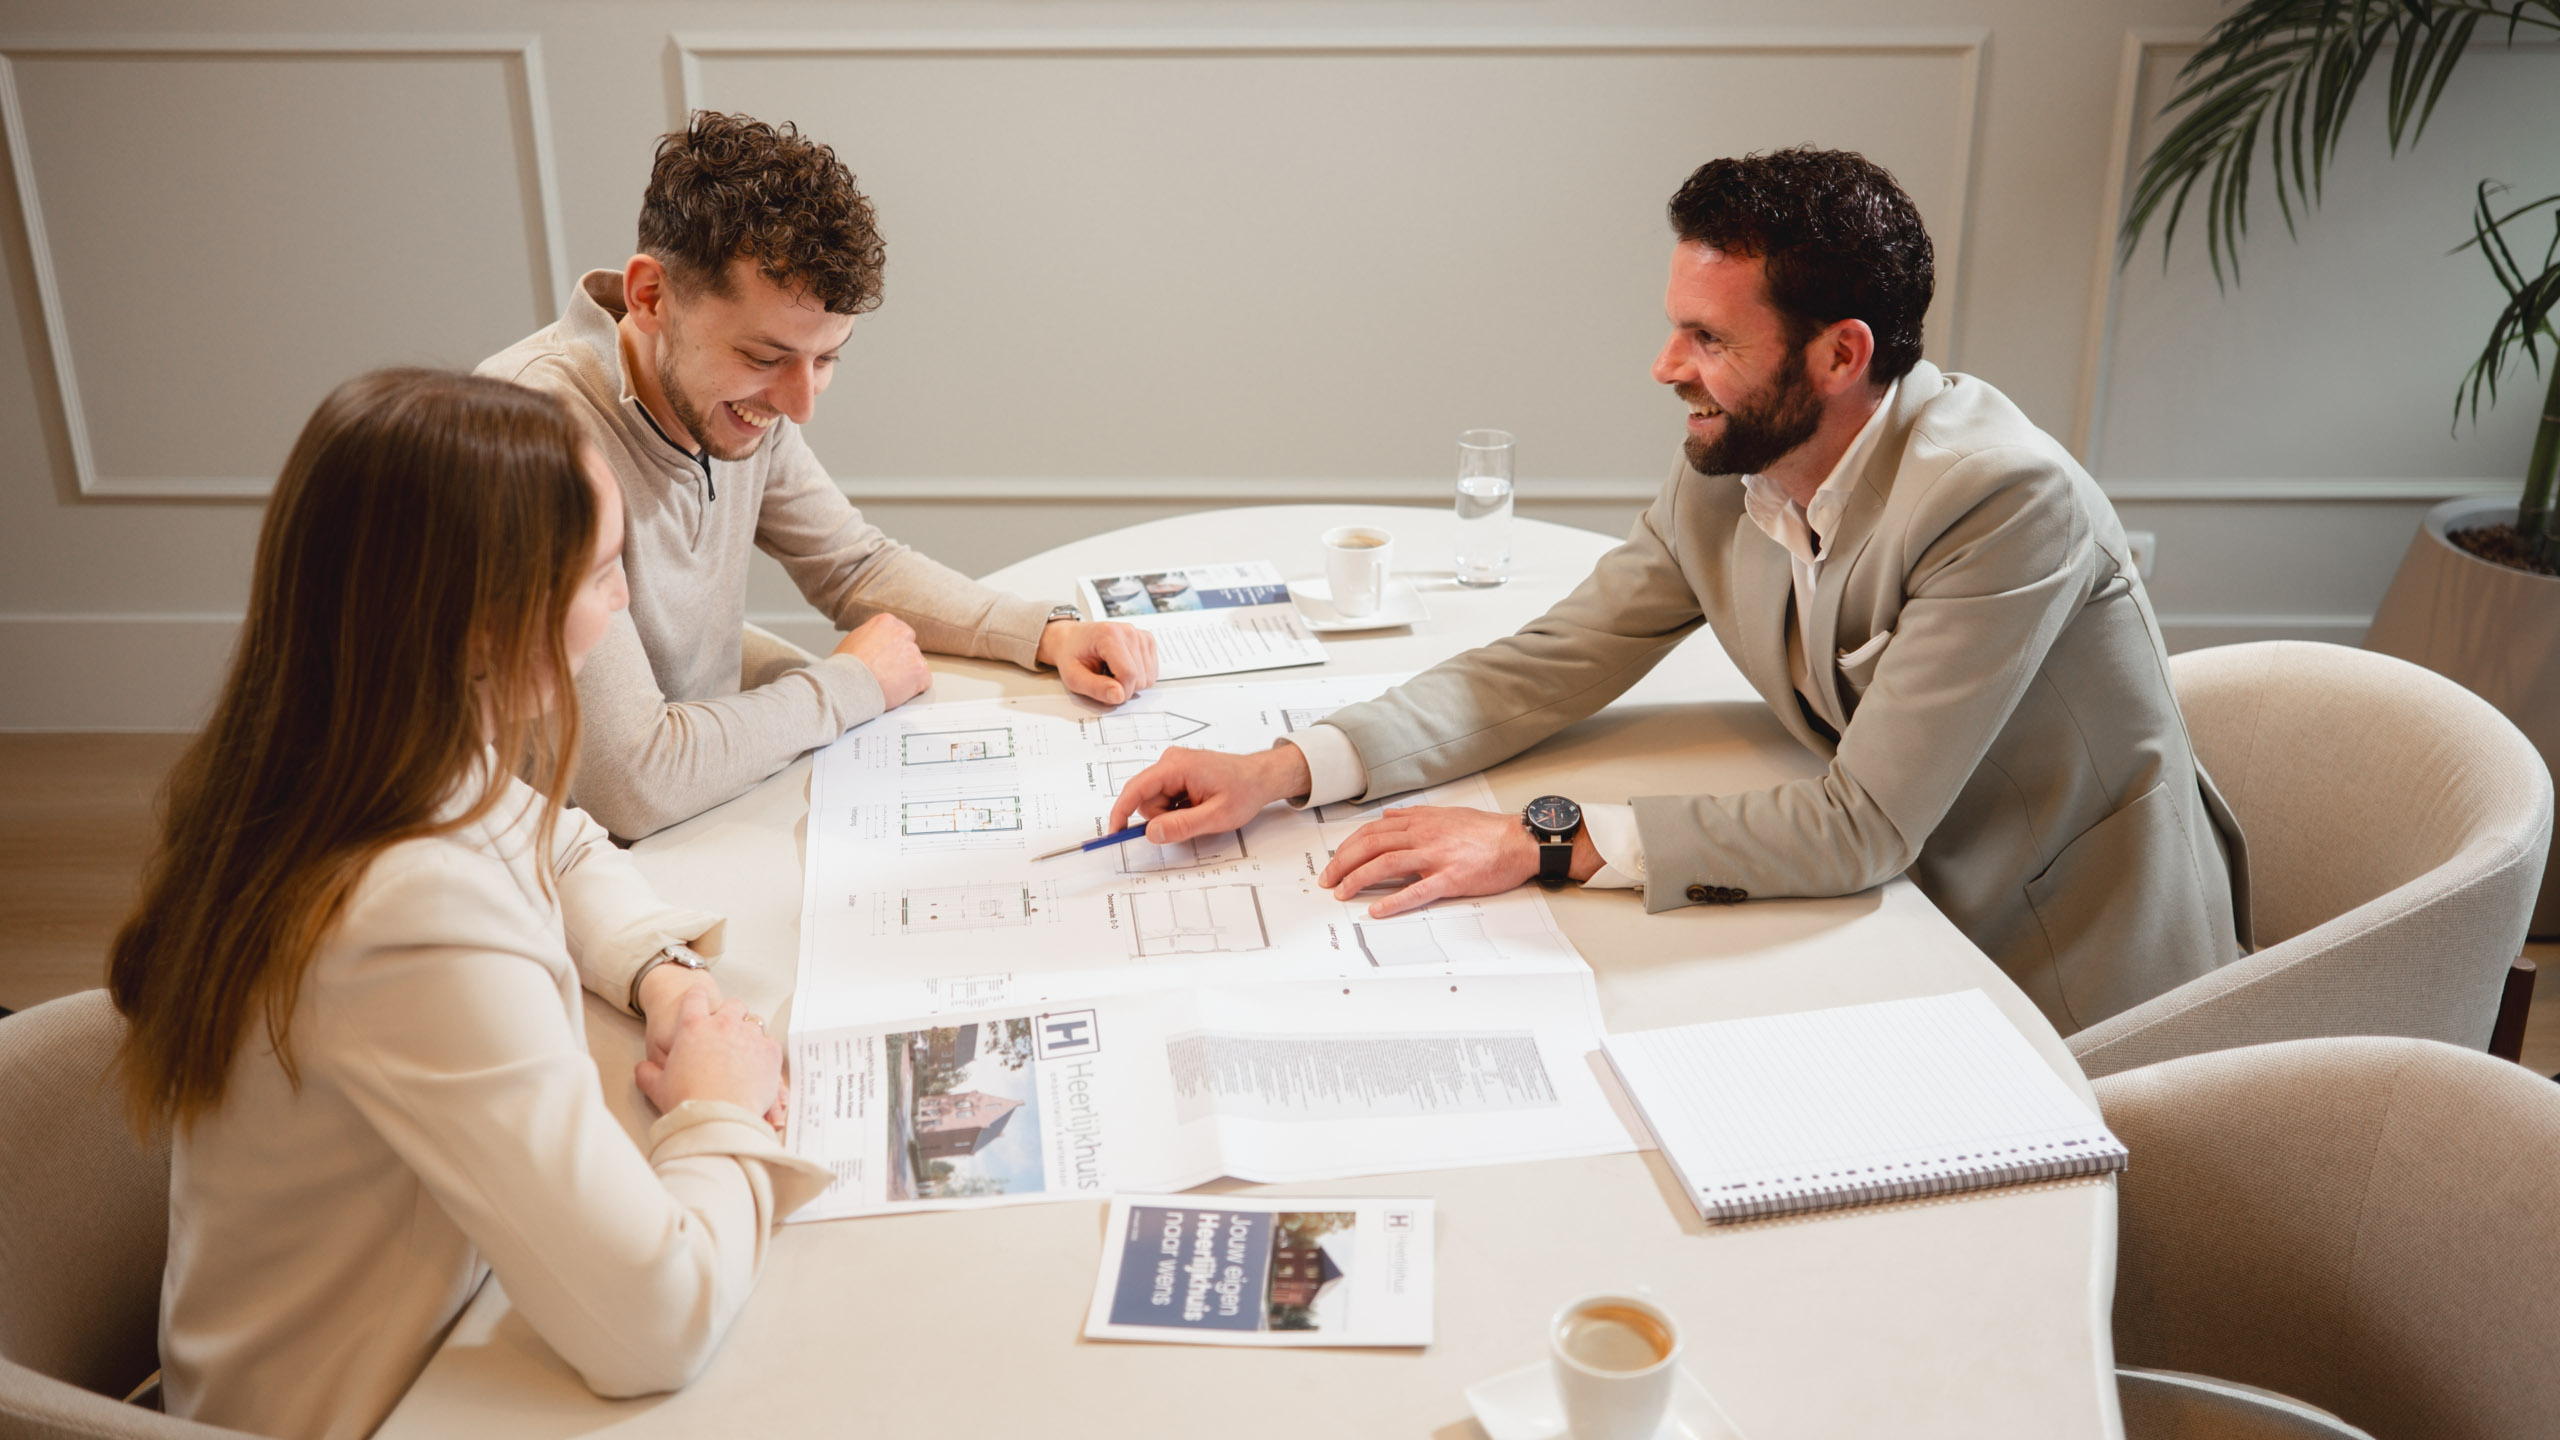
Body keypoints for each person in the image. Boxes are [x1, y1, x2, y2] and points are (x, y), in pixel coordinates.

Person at [1111, 148, 2250, 1035]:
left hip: (2056, 969)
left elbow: (1863, 827)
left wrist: (1539, 838)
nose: (1666, 367)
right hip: (1872, 925)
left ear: (1839, 355)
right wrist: (1287, 768)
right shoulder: (1735, 458)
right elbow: (1553, 659)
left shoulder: (2000, 499)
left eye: (1705, 337)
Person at [108, 369, 828, 1440]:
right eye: (598, 574)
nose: (623, 599)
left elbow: (559, 839)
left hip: (395, 1335)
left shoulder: (331, 759)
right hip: (373, 1405)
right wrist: (717, 1108)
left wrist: (660, 974)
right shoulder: (403, 911)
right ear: (488, 625)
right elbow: (655, 1322)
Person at [481, 111, 1158, 840]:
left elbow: (851, 564)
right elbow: (633, 781)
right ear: (650, 298)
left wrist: (1045, 632)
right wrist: (846, 684)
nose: (799, 406)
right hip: (571, 877)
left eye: (827, 359)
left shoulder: (732, 404)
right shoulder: (528, 440)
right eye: (766, 358)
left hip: (706, 811)